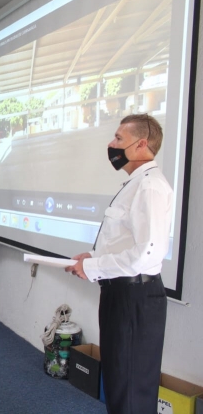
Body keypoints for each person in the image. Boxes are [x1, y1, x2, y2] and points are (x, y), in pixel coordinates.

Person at [64, 114, 172, 414]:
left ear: (141, 145)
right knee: (119, 383)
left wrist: (95, 268)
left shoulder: (149, 187)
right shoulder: (135, 184)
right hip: (120, 294)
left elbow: (146, 254)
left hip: (134, 298)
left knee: (131, 390)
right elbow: (124, 243)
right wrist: (92, 260)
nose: (111, 145)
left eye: (119, 139)